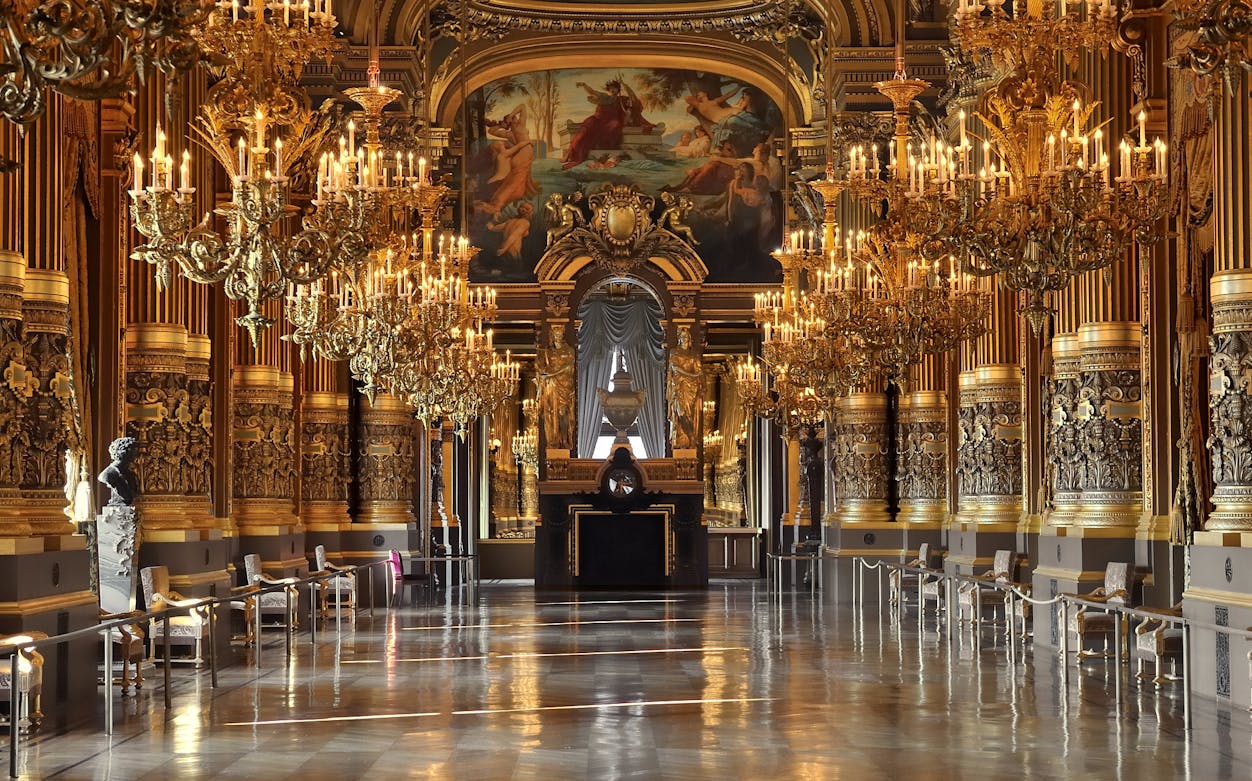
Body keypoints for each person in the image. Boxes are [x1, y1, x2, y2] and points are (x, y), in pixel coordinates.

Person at [474, 104, 539, 218]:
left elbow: (492, 131)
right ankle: (497, 207)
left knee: (514, 182)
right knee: (517, 181)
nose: (517, 118)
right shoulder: (520, 127)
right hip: (523, 154)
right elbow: (523, 107)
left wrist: (501, 124)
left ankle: (497, 206)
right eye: (514, 118)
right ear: (512, 122)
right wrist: (510, 117)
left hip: (519, 156)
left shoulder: (509, 134)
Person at [562, 81, 628, 169]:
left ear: (618, 90)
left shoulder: (620, 100)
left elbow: (629, 108)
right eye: (611, 88)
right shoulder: (604, 96)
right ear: (609, 89)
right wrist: (584, 85)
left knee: (614, 125)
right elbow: (592, 92)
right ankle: (570, 153)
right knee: (585, 129)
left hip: (610, 121)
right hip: (598, 119)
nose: (613, 90)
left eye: (615, 88)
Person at [537, 324, 576, 450]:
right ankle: (554, 441)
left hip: (565, 385)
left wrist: (551, 374)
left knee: (563, 412)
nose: (557, 337)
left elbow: (569, 368)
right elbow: (542, 367)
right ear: (552, 336)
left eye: (559, 335)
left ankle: (564, 440)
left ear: (563, 335)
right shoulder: (549, 352)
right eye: (555, 335)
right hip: (551, 385)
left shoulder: (569, 351)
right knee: (551, 412)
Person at [667, 326, 702, 451]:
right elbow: (676, 369)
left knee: (690, 414)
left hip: (691, 388)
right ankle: (690, 437)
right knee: (681, 412)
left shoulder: (694, 354)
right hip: (679, 386)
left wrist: (696, 375)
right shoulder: (674, 352)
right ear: (679, 339)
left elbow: (699, 370)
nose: (685, 339)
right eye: (682, 337)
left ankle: (691, 438)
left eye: (687, 337)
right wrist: (692, 374)